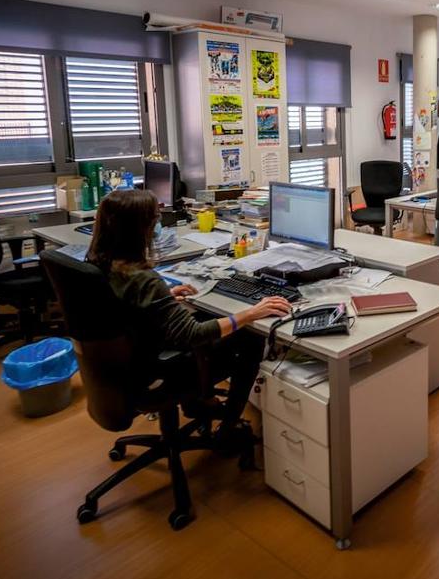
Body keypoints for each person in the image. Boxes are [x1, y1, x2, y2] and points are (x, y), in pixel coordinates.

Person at [86, 189, 291, 447]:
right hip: (156, 368)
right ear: (140, 228)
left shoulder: (98, 264)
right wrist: (251, 313)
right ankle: (227, 430)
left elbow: (126, 307)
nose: (159, 224)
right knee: (250, 339)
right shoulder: (143, 279)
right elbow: (192, 334)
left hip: (125, 365)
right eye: (155, 218)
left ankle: (197, 405)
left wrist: (164, 298)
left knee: (206, 315)